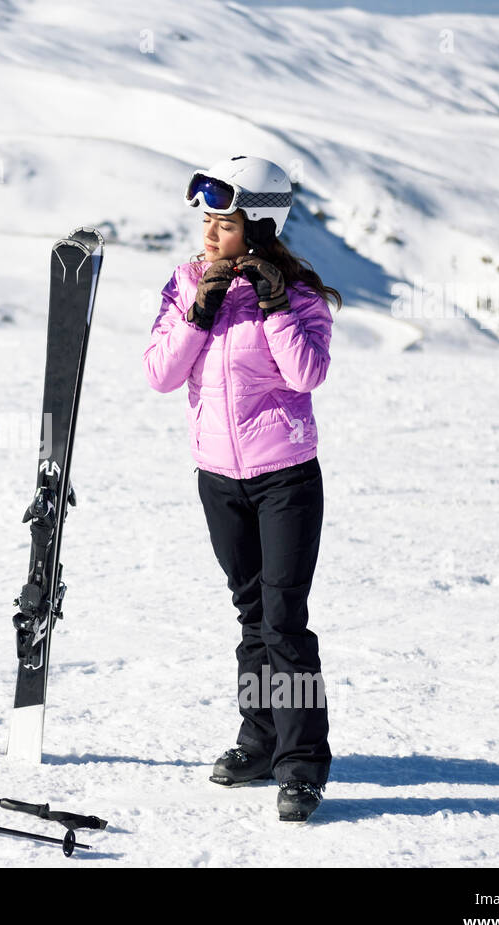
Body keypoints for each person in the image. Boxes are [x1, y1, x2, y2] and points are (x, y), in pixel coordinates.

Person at [142, 156, 342, 823]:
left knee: (284, 620)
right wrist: (198, 311)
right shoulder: (184, 284)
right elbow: (161, 374)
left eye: (223, 222)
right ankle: (259, 741)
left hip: (285, 474)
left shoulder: (299, 291)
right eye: (205, 220)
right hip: (218, 477)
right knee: (252, 615)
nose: (208, 234)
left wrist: (275, 303)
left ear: (256, 227)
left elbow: (307, 372)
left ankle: (302, 765)